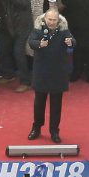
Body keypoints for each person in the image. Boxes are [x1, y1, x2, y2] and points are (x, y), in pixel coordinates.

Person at [28, 8, 74, 143]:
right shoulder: (38, 29)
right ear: (45, 19)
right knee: (39, 103)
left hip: (58, 72)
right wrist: (39, 44)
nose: (52, 22)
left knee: (56, 105)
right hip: (41, 72)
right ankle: (36, 128)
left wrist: (70, 42)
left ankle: (54, 131)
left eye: (54, 20)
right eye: (50, 19)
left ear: (58, 20)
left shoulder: (64, 30)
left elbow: (73, 40)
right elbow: (31, 42)